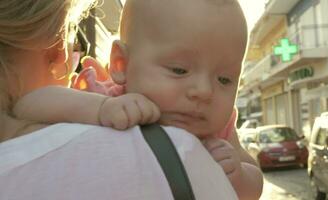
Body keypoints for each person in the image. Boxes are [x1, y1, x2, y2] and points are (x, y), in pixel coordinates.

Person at [13, 0, 264, 199]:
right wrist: (98, 109)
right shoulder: (108, 99)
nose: (204, 91)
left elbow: (255, 182)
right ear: (121, 63)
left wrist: (239, 176)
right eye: (179, 70)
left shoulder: (219, 128)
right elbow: (29, 105)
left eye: (224, 80)